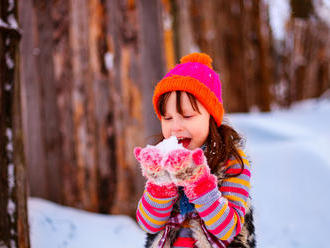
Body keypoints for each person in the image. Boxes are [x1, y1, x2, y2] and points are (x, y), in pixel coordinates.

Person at [134, 53, 255, 248]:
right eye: (167, 118)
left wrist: (198, 182)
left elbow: (228, 230)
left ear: (210, 116)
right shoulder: (164, 159)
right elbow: (148, 223)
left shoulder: (231, 162)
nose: (175, 127)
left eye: (187, 116)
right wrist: (161, 181)